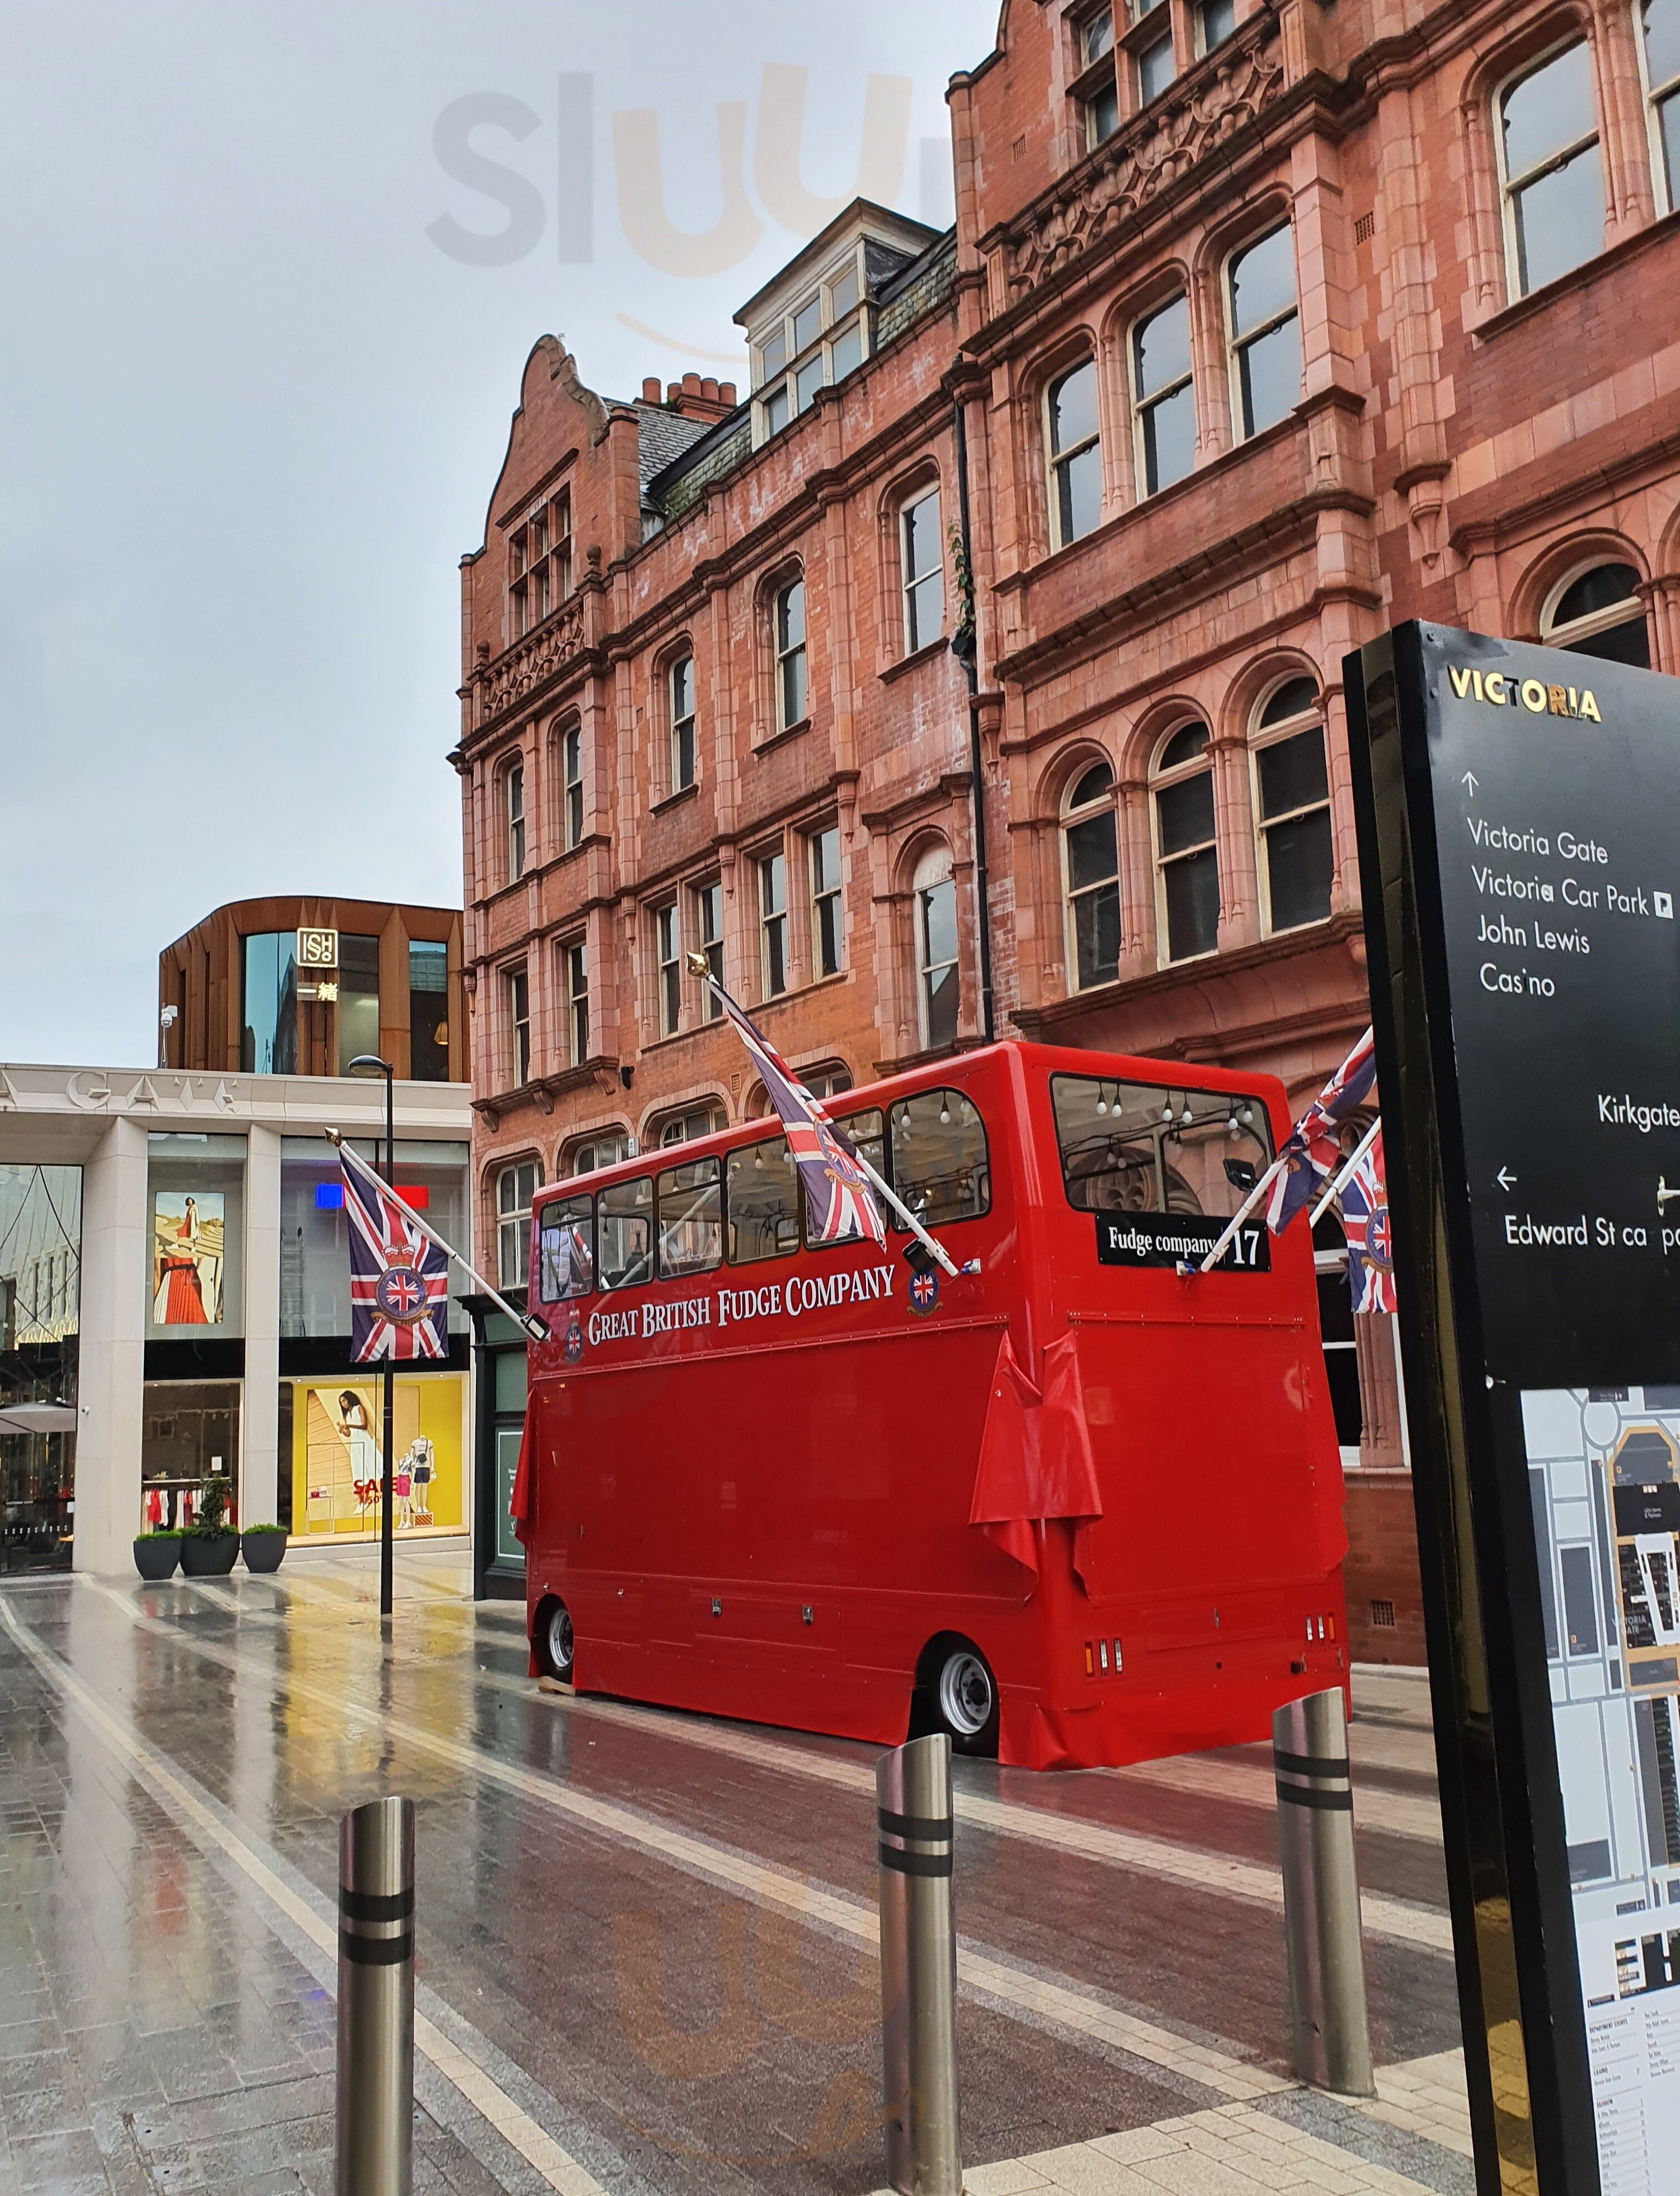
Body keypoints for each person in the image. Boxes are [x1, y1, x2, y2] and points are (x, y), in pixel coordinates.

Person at [154, 1197, 209, 1324]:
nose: (189, 1203)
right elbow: (157, 1273)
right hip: (170, 1284)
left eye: (191, 1201)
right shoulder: (189, 1210)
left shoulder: (195, 1209)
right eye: (188, 1201)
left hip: (191, 1281)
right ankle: (182, 1245)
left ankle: (193, 1246)